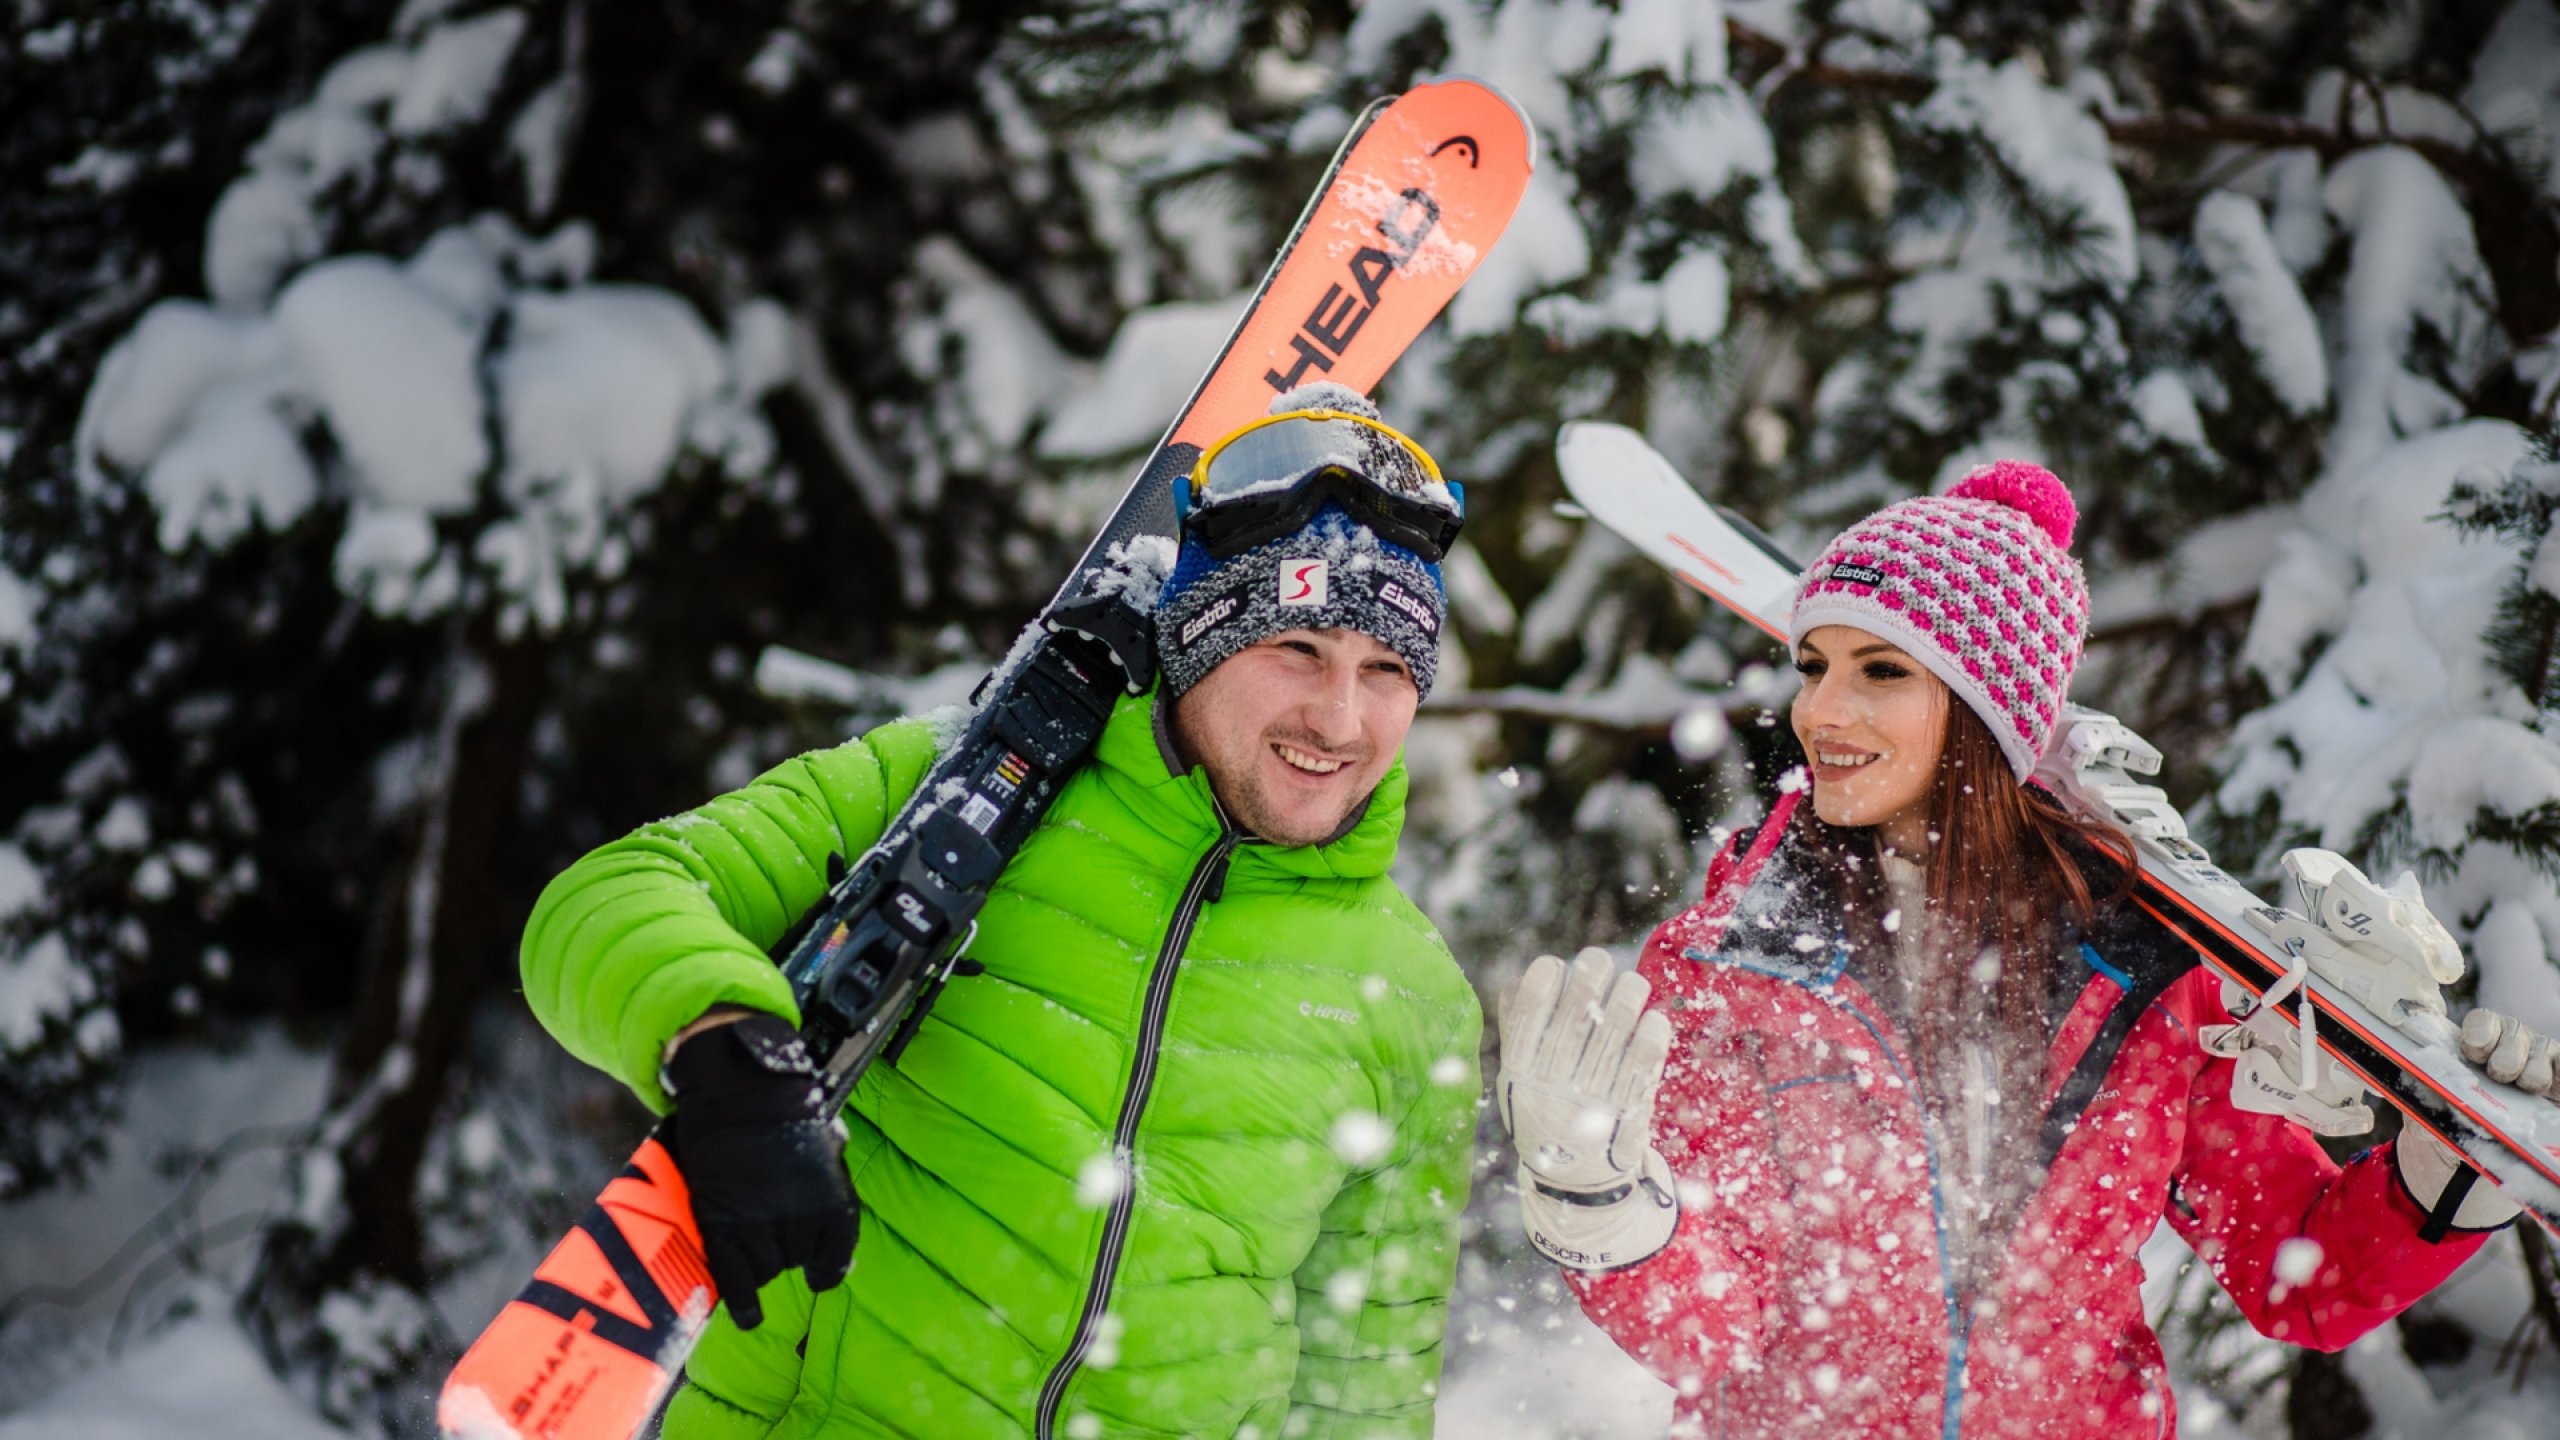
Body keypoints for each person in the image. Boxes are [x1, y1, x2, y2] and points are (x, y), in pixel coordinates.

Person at [1494, 461, 2552, 1437]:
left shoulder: (2148, 971)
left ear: (1985, 715)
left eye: (1878, 671)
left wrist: (2434, 1180)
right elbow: (1710, 1329)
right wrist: (1603, 1207)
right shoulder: (1732, 965)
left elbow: (2294, 1272)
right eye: (1811, 665)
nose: (1820, 708)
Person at [520, 384, 1480, 1439]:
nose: (1339, 718)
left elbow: (1364, 1388)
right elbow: (606, 899)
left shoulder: (1415, 997)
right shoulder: (961, 790)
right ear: (1199, 641)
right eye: (1296, 652)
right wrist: (721, 1051)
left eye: (1387, 671)